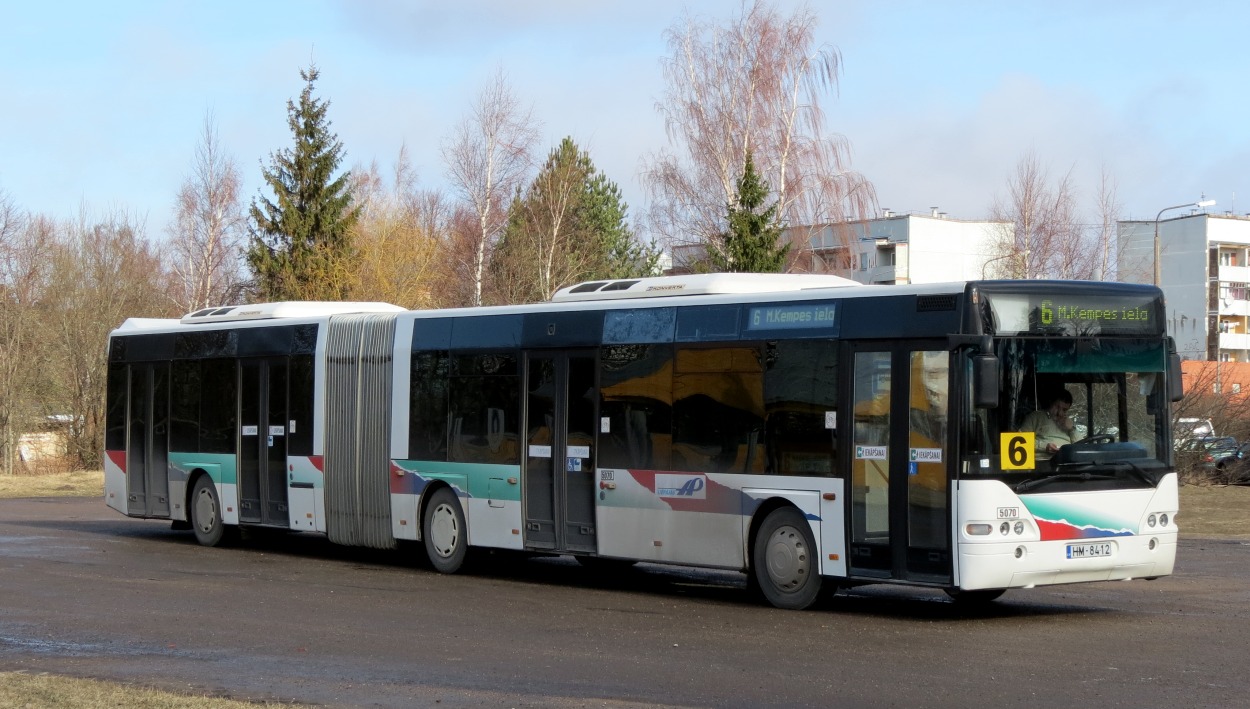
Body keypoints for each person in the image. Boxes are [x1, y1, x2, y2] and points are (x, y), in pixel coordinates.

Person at [1020, 389, 1077, 458]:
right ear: (1051, 403)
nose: (1060, 413)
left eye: (1064, 410)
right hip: (1042, 462)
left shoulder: (1068, 423)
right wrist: (1044, 446)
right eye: (1057, 407)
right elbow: (1020, 441)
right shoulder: (1036, 417)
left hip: (1067, 462)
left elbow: (1082, 447)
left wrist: (1072, 429)